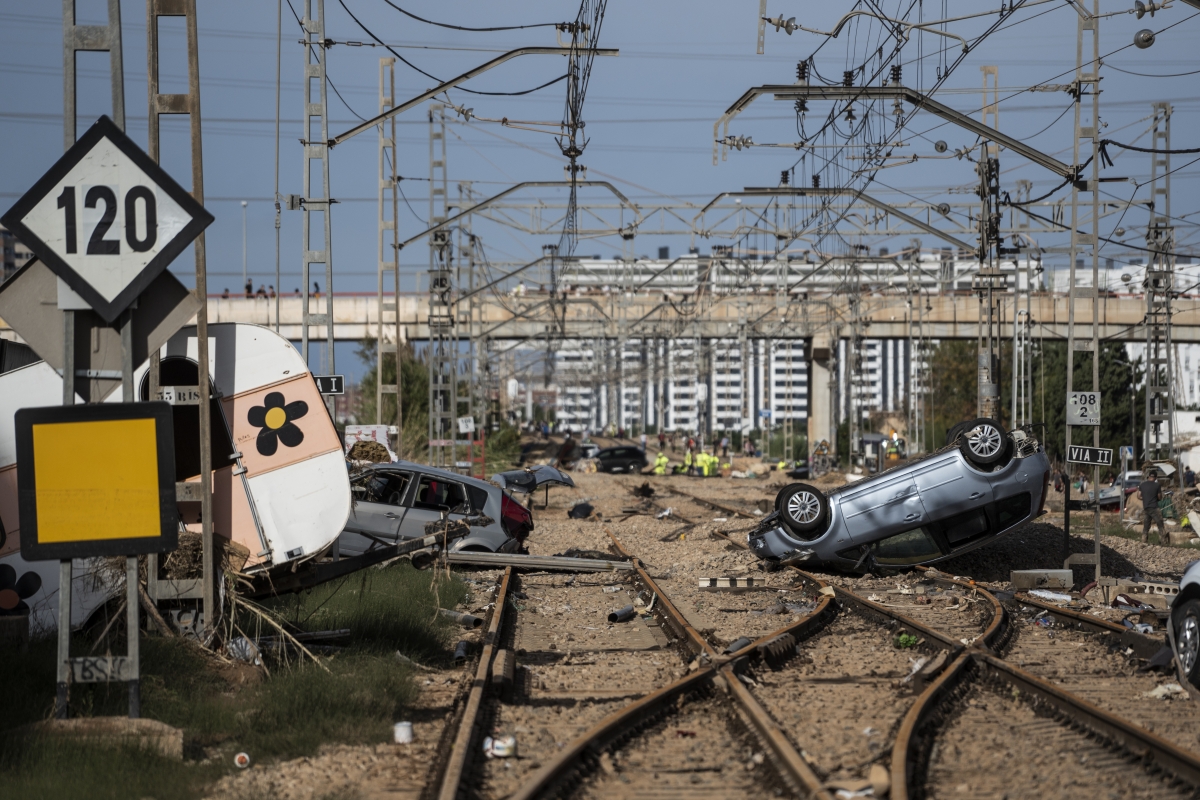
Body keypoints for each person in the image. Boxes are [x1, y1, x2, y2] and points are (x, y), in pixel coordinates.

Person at [1140, 470, 1166, 544]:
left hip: (1146, 507)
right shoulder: (1157, 485)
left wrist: (1145, 498)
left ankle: (1144, 539)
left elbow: (1139, 496)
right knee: (1160, 522)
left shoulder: (1142, 485)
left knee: (1146, 524)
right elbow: (1159, 497)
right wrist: (1158, 498)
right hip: (1154, 507)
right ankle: (1163, 540)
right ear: (1155, 477)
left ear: (1148, 477)